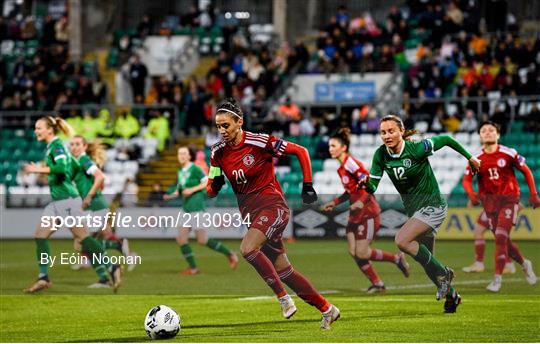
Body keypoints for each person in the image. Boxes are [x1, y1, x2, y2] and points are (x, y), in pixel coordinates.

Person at [206, 99, 340, 329]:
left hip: (273, 206)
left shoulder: (259, 141)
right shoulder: (217, 152)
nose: (221, 131)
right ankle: (328, 309)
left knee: (248, 248)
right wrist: (213, 185)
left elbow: (301, 150)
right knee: (285, 271)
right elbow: (210, 190)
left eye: (226, 125)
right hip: (250, 214)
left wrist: (307, 185)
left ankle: (283, 298)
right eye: (218, 126)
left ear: (240, 122)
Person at [359, 114, 481, 313]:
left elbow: (447, 139)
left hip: (433, 205)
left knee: (402, 240)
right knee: (428, 263)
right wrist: (366, 184)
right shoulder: (380, 155)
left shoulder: (417, 148)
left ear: (401, 131)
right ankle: (452, 297)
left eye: (391, 131)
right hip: (415, 211)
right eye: (383, 132)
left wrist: (471, 157)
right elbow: (373, 186)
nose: (386, 135)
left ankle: (445, 273)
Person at [22, 116, 122, 293]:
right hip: (57, 202)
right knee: (40, 235)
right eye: (35, 128)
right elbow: (69, 167)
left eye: (39, 128)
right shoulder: (55, 147)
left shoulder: (57, 146)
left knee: (83, 239)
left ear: (49, 130)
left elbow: (60, 168)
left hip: (67, 200)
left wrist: (36, 169)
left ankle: (112, 267)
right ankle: (43, 277)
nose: (36, 131)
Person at [321, 128, 410, 293]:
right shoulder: (341, 169)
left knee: (362, 252)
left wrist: (361, 202)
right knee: (353, 251)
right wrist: (335, 202)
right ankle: (378, 284)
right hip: (355, 214)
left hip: (368, 212)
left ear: (343, 147)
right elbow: (351, 191)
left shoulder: (350, 163)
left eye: (333, 146)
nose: (330, 149)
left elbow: (368, 182)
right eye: (329, 146)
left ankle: (396, 259)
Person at [461, 121, 539, 291]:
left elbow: (526, 170)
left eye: (491, 130)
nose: (487, 132)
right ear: (480, 136)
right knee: (503, 240)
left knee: (501, 237)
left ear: (498, 135)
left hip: (509, 200)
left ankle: (497, 279)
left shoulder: (508, 153)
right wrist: (472, 194)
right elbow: (466, 180)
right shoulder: (476, 159)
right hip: (490, 205)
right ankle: (525, 263)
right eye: (484, 130)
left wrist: (533, 194)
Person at [69, 136, 139, 276]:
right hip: (94, 205)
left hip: (94, 205)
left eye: (77, 144)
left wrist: (88, 196)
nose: (73, 147)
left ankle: (112, 254)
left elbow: (100, 177)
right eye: (72, 144)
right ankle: (105, 268)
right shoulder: (79, 162)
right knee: (87, 240)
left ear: (84, 147)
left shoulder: (84, 161)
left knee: (83, 241)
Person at [164, 146, 238, 275]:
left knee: (202, 240)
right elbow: (181, 189)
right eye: (179, 153)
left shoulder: (195, 169)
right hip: (186, 209)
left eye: (184, 153)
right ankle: (193, 268)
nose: (181, 156)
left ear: (189, 156)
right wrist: (170, 195)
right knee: (181, 239)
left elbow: (207, 182)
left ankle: (230, 253)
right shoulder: (181, 171)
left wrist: (192, 190)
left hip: (197, 209)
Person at [461, 210, 517, 274]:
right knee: (478, 231)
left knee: (501, 237)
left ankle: (509, 265)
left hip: (499, 208)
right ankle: (479, 264)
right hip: (489, 207)